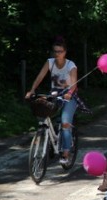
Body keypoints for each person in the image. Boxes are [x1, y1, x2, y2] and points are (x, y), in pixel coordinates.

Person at [25, 37, 78, 165]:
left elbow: (74, 83)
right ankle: (48, 137)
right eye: (55, 51)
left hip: (69, 95)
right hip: (54, 94)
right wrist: (32, 90)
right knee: (43, 112)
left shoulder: (71, 65)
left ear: (65, 52)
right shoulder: (50, 62)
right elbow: (40, 77)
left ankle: (66, 153)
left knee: (65, 123)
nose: (57, 54)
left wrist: (70, 93)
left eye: (60, 51)